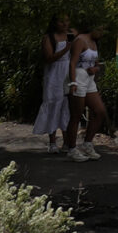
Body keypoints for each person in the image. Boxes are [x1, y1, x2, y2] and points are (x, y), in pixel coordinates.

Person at [66, 28, 110, 159]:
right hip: (78, 76)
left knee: (99, 111)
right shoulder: (80, 40)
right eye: (100, 30)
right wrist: (73, 82)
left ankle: (87, 143)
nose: (102, 33)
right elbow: (72, 62)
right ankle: (72, 149)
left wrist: (95, 69)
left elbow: (97, 63)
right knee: (76, 114)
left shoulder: (94, 43)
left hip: (89, 78)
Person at [33, 15, 74, 150]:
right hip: (54, 74)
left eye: (66, 21)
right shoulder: (49, 38)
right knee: (52, 104)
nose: (64, 24)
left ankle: (67, 142)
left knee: (66, 105)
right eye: (61, 21)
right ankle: (52, 142)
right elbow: (49, 58)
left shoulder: (71, 34)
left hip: (68, 72)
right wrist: (65, 49)